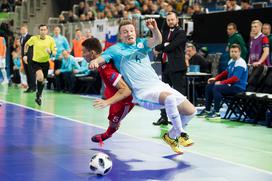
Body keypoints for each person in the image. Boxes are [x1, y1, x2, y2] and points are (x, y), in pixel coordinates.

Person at [89, 19, 196, 154]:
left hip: (159, 85)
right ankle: (181, 133)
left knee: (191, 111)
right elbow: (102, 58)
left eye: (131, 31)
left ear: (135, 32)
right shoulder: (115, 49)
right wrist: (95, 61)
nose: (129, 34)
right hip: (143, 92)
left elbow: (157, 40)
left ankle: (171, 136)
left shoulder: (142, 43)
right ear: (121, 36)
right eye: (125, 32)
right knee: (169, 99)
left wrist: (154, 29)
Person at [82, 37, 134, 144]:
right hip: (115, 95)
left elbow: (126, 90)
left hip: (124, 99)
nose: (82, 55)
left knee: (113, 123)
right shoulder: (103, 59)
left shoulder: (107, 70)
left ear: (92, 53)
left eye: (84, 52)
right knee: (112, 119)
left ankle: (107, 134)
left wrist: (106, 102)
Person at [153, 12, 188, 126]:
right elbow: (161, 45)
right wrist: (165, 44)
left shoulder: (181, 33)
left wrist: (163, 46)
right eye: (168, 20)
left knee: (178, 94)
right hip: (166, 66)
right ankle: (163, 117)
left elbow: (171, 46)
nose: (170, 22)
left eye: (172, 19)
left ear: (177, 20)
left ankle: (181, 118)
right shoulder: (165, 32)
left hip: (177, 67)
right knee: (163, 93)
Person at [197, 44, 248, 119]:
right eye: (232, 51)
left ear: (239, 52)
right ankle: (207, 110)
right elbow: (226, 72)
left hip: (238, 87)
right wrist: (215, 78)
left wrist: (221, 82)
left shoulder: (240, 62)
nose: (233, 53)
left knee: (217, 88)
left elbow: (235, 79)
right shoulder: (231, 61)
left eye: (235, 51)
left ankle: (217, 112)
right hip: (231, 85)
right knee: (209, 86)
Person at [23, 24, 56, 105]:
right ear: (39, 31)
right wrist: (25, 55)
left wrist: (51, 52)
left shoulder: (51, 40)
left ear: (47, 31)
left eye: (44, 30)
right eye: (41, 30)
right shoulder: (34, 38)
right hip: (36, 62)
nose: (43, 31)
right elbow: (26, 45)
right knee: (40, 77)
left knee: (43, 81)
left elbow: (55, 52)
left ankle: (38, 96)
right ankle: (38, 94)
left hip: (45, 63)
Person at [20, 25, 36, 92]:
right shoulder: (21, 38)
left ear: (27, 30)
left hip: (30, 57)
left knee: (31, 72)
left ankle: (33, 87)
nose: (23, 30)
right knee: (27, 72)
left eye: (24, 29)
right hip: (24, 58)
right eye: (22, 29)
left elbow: (33, 47)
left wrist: (30, 56)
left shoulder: (30, 37)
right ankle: (29, 87)